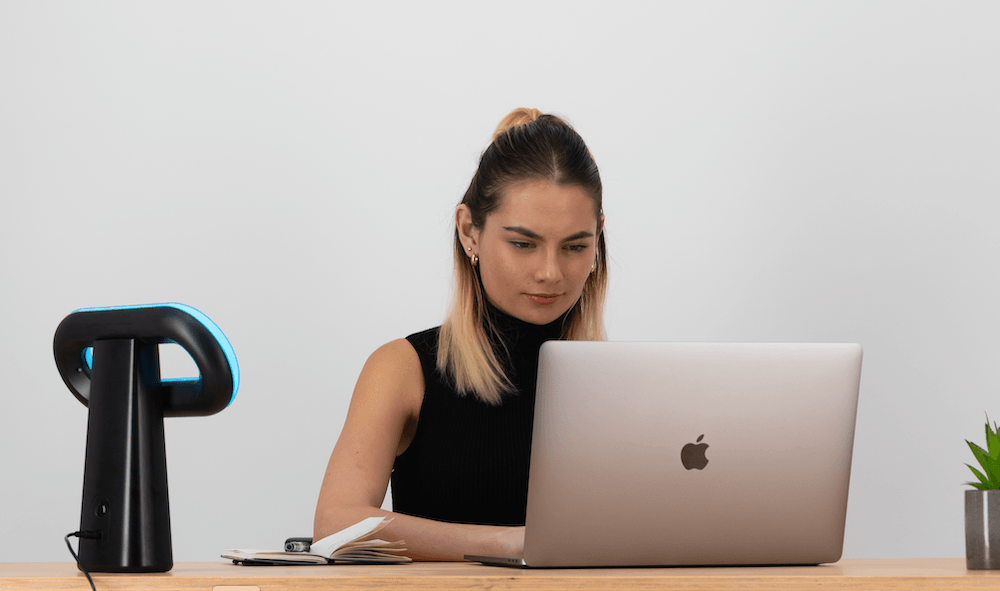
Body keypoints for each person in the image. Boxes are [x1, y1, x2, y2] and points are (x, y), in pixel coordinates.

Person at [313, 108, 608, 561]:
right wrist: (512, 543)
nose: (551, 273)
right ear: (469, 230)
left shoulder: (619, 384)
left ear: (598, 239)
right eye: (523, 244)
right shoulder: (403, 367)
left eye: (575, 246)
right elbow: (336, 525)